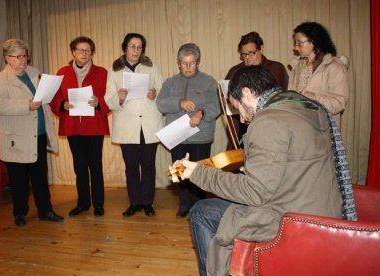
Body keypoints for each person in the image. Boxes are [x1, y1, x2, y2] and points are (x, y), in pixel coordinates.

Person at [175, 66, 356, 275]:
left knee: (201, 211)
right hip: (322, 210)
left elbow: (254, 193)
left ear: (247, 92)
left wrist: (198, 173)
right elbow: (297, 163)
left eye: (238, 108)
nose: (241, 118)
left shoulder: (268, 120)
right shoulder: (308, 108)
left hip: (293, 218)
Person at [0, 38, 64, 227]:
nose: (24, 60)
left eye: (26, 55)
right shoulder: (0, 80)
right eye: (19, 56)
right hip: (17, 137)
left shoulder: (34, 72)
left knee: (40, 176)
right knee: (19, 180)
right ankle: (20, 213)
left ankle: (45, 211)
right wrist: (26, 105)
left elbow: (42, 96)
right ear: (8, 58)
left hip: (37, 134)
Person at [157, 43, 221, 218]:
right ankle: (184, 205)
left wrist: (201, 113)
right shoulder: (170, 83)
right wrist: (179, 102)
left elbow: (217, 106)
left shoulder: (209, 81)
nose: (188, 67)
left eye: (191, 63)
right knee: (180, 173)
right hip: (177, 137)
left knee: (199, 173)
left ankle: (201, 207)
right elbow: (160, 103)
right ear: (178, 63)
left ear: (198, 62)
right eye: (184, 63)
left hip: (201, 136)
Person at [105, 33, 163, 217]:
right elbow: (108, 99)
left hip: (148, 122)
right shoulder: (114, 70)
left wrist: (155, 93)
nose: (136, 51)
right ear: (125, 47)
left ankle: (147, 202)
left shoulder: (151, 67)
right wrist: (119, 98)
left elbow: (162, 89)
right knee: (131, 167)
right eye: (132, 46)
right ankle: (134, 202)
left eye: (139, 47)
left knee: (148, 165)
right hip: (127, 125)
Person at [51, 36, 110, 217]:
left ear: (92, 52)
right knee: (80, 166)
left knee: (95, 165)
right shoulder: (62, 72)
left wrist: (98, 102)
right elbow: (53, 98)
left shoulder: (102, 72)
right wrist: (62, 105)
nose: (84, 54)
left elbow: (110, 98)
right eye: (80, 50)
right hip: (72, 126)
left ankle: (98, 204)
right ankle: (83, 203)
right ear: (73, 52)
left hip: (94, 126)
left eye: (88, 50)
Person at [224, 32, 289, 149]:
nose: (247, 58)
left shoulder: (275, 68)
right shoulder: (235, 71)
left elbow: (278, 99)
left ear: (261, 49)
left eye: (251, 53)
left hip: (270, 125)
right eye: (244, 55)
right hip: (242, 124)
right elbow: (225, 98)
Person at [288, 21, 349, 128]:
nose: (295, 48)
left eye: (299, 43)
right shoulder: (297, 66)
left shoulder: (334, 67)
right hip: (300, 126)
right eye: (295, 43)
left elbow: (340, 103)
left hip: (323, 130)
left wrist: (311, 97)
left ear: (314, 42)